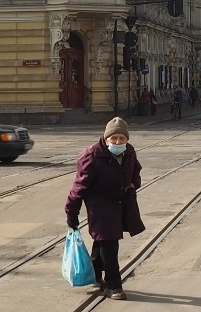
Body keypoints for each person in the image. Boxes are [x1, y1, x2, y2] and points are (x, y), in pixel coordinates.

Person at [65, 117, 144, 301]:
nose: (117, 142)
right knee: (110, 242)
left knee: (104, 239)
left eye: (122, 138)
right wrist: (72, 211)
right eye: (113, 138)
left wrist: (133, 184)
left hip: (120, 201)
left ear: (127, 139)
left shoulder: (129, 152)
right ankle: (113, 285)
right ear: (106, 138)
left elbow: (135, 171)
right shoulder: (92, 155)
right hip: (99, 204)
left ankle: (94, 273)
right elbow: (79, 186)